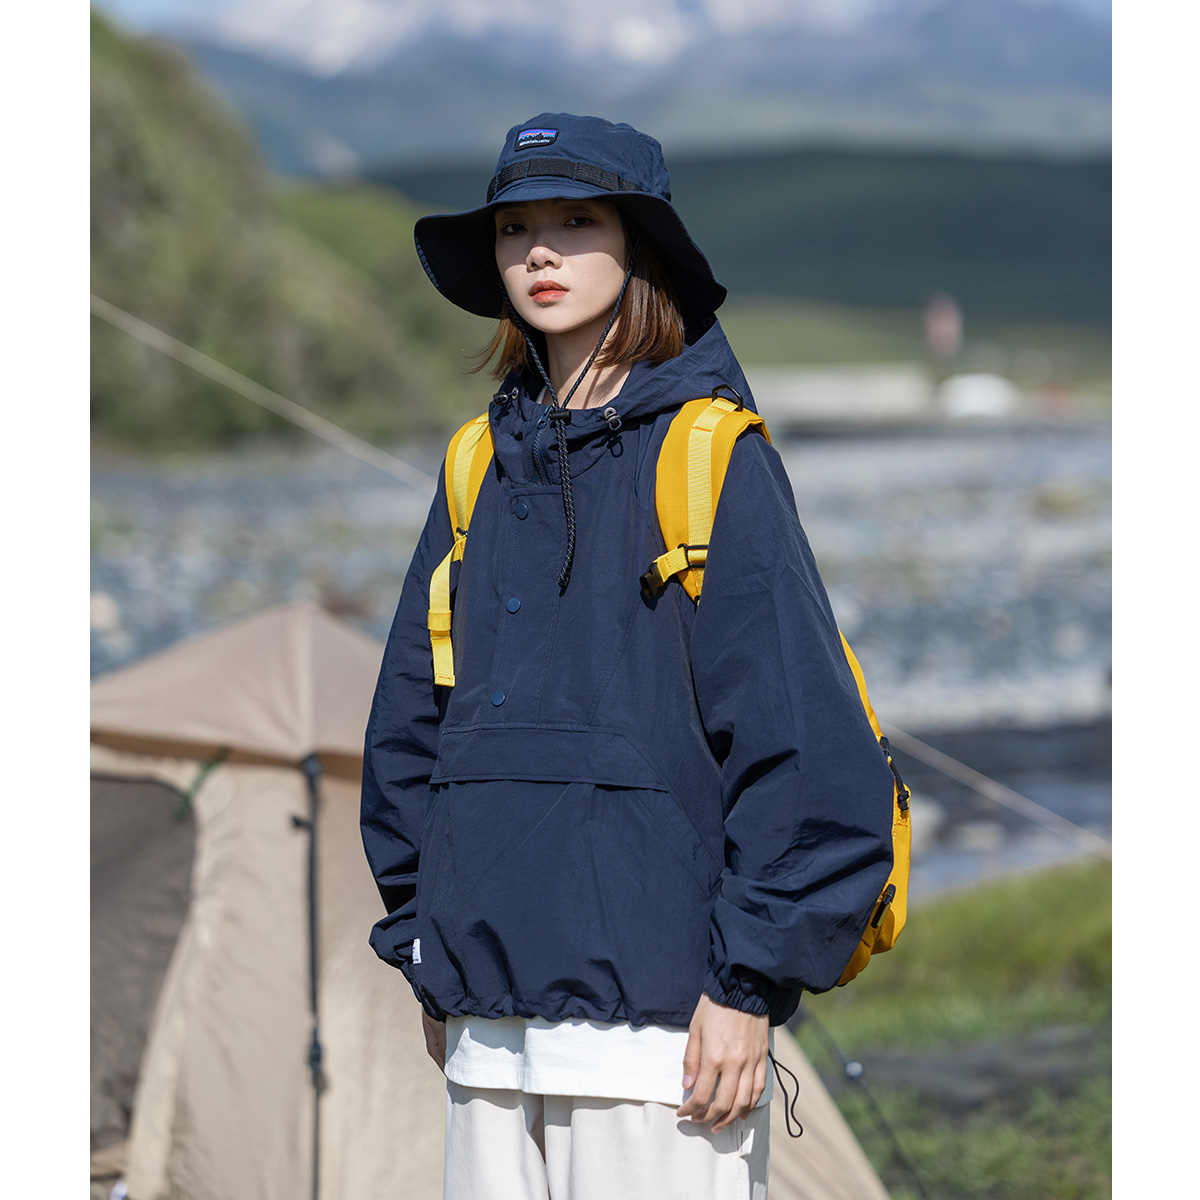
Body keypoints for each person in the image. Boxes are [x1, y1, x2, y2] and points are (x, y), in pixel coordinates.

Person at [360, 113, 896, 1200]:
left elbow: (804, 747)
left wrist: (747, 986)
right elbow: (411, 730)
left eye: (576, 221)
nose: (540, 253)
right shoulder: (474, 467)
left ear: (639, 246)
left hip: (664, 1039)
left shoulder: (710, 456)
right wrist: (425, 948)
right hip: (486, 1028)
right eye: (514, 229)